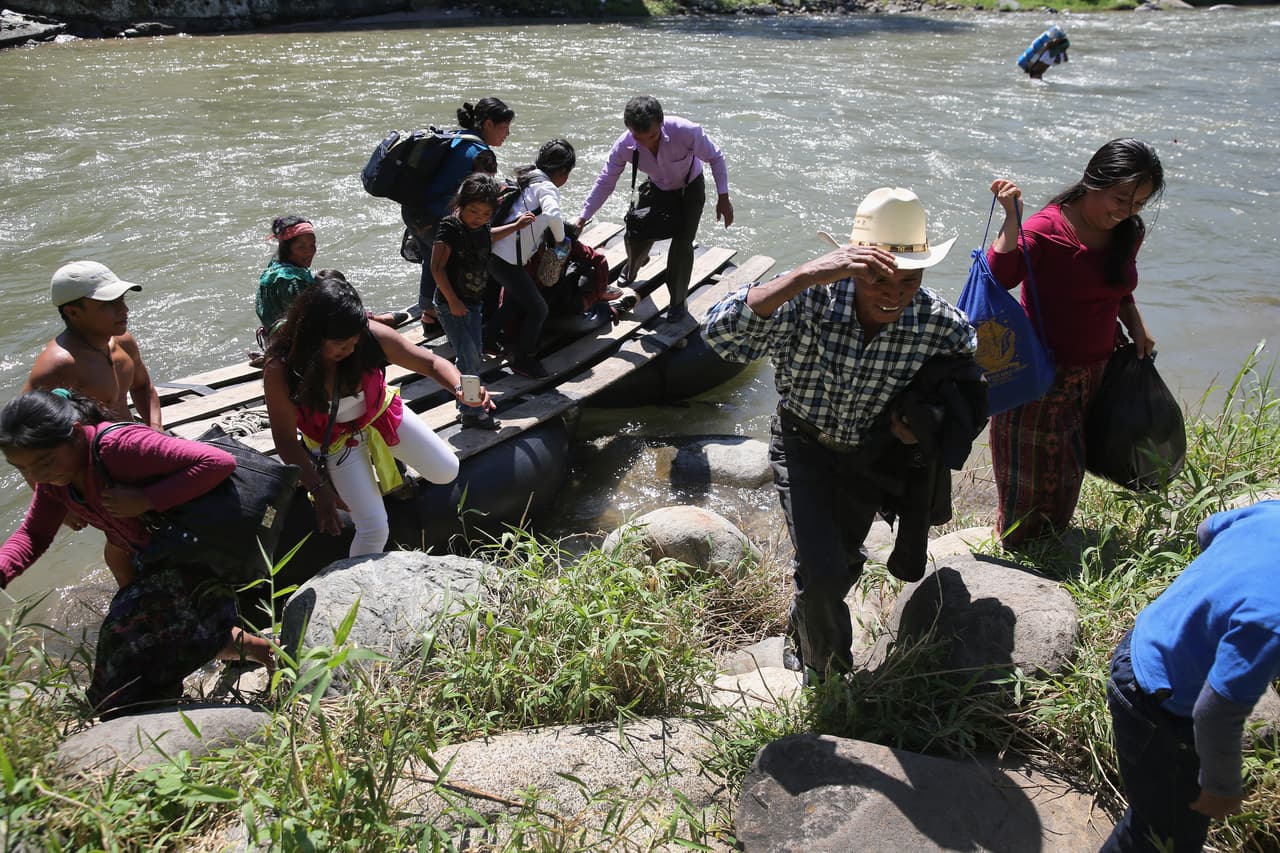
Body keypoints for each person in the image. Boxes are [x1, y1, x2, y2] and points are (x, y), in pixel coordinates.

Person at [703, 187, 977, 683]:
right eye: (878, 278)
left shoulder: (936, 322)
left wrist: (926, 424)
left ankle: (800, 629)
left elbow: (973, 381)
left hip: (872, 454)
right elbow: (721, 335)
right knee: (825, 570)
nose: (894, 294)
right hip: (802, 445)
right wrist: (804, 273)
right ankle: (829, 679)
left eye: (909, 280)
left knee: (843, 562)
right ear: (850, 264)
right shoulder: (808, 300)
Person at [0, 389, 274, 718]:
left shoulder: (119, 447)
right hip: (156, 556)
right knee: (179, 631)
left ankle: (134, 714)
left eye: (44, 462)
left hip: (199, 549)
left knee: (123, 639)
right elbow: (34, 533)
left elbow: (217, 462)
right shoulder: (54, 481)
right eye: (22, 469)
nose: (36, 476)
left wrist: (148, 498)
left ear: (73, 433)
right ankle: (265, 653)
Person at [987, 138, 1164, 546]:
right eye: (1119, 198)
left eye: (1137, 205)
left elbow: (1118, 286)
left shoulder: (1127, 232)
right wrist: (1013, 218)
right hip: (1041, 376)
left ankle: (1050, 544)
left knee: (1069, 467)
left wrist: (1136, 323)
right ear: (1093, 180)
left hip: (1097, 370)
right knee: (1028, 475)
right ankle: (1014, 548)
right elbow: (1000, 275)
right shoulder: (1047, 228)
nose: (1124, 212)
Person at [263, 275, 492, 557]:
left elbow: (431, 363)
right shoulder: (282, 369)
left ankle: (388, 457)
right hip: (335, 441)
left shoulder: (370, 336)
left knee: (447, 471)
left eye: (354, 342)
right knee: (374, 528)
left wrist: (459, 386)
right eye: (340, 345)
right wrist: (319, 487)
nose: (349, 351)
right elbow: (285, 440)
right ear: (314, 335)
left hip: (379, 415)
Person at [1101, 500, 1280, 852]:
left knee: (1156, 814)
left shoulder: (1272, 513)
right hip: (1160, 706)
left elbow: (1208, 529)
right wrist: (1220, 787)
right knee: (1162, 837)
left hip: (1147, 639)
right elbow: (1214, 714)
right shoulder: (1271, 623)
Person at [23, 260, 162, 588]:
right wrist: (57, 503)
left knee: (157, 523)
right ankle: (133, 596)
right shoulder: (57, 367)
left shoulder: (122, 341)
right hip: (94, 472)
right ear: (73, 312)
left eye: (122, 301)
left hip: (133, 448)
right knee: (123, 538)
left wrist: (155, 433)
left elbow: (143, 387)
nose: (122, 310)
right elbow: (25, 444)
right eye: (108, 305)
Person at [574, 95, 733, 326]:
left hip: (690, 190)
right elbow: (606, 181)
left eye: (652, 137)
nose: (646, 144)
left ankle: (678, 303)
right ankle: (633, 265)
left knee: (682, 244)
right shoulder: (624, 145)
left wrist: (723, 197)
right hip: (657, 188)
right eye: (639, 139)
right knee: (635, 231)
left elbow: (716, 157)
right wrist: (583, 217)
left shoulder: (687, 131)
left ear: (661, 122)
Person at [429, 173, 535, 429]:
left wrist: (516, 225)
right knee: (469, 357)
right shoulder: (450, 228)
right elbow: (436, 268)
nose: (478, 218)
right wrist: (453, 302)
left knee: (473, 354)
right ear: (460, 205)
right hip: (450, 303)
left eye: (485, 214)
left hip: (473, 302)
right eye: (473, 211)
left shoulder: (480, 227)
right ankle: (472, 410)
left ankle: (467, 401)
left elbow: (489, 235)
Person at [402, 98, 513, 330]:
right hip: (436, 217)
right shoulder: (482, 154)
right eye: (504, 127)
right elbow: (483, 194)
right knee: (450, 263)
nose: (507, 133)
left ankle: (429, 315)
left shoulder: (454, 138)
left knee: (431, 259)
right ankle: (450, 315)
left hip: (413, 211)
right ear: (489, 124)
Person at [490, 138, 577, 380]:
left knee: (516, 300)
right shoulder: (548, 187)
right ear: (562, 171)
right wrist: (560, 240)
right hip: (507, 259)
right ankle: (524, 359)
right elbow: (552, 213)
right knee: (539, 309)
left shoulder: (529, 176)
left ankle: (487, 340)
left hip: (494, 251)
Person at [256, 215, 408, 343]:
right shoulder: (289, 280)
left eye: (312, 245)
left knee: (328, 277)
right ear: (287, 248)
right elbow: (306, 320)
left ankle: (370, 320)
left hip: (277, 333)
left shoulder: (276, 264)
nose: (309, 252)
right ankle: (370, 321)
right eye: (301, 247)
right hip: (295, 340)